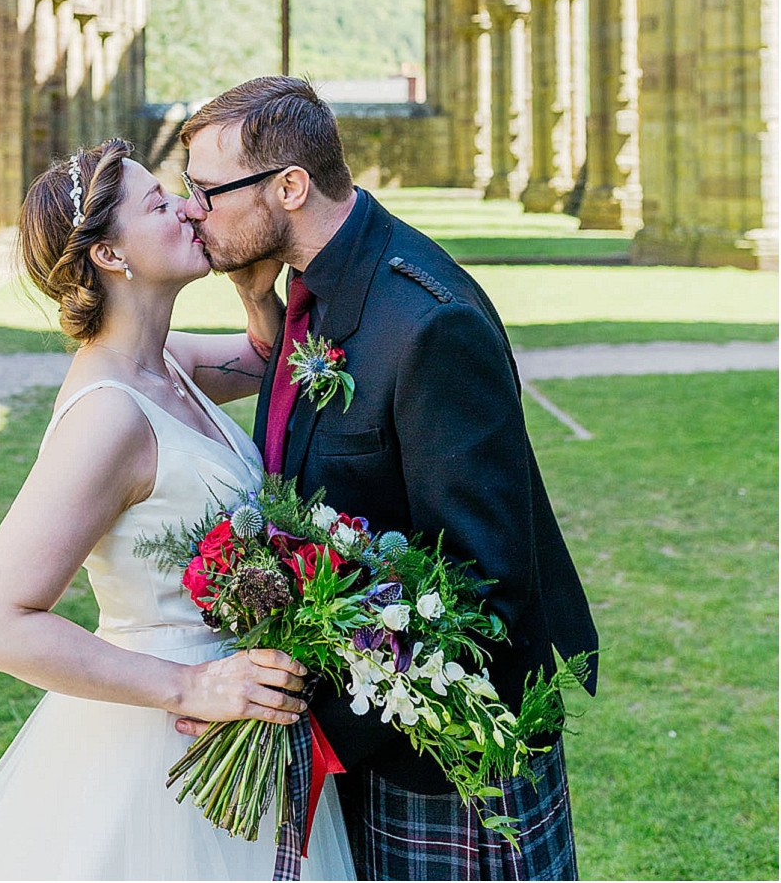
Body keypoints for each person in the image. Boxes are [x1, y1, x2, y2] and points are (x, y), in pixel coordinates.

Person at [178, 77, 597, 881]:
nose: (193, 209)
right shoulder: (310, 287)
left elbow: (486, 591)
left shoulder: (428, 323)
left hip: (446, 764)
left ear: (289, 187)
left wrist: (307, 725)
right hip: (375, 743)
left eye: (204, 190)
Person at [0, 138, 355, 882]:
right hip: (169, 732)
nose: (192, 207)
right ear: (111, 257)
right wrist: (191, 686)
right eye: (160, 204)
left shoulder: (166, 360)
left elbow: (273, 357)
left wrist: (256, 290)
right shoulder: (108, 417)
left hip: (246, 708)